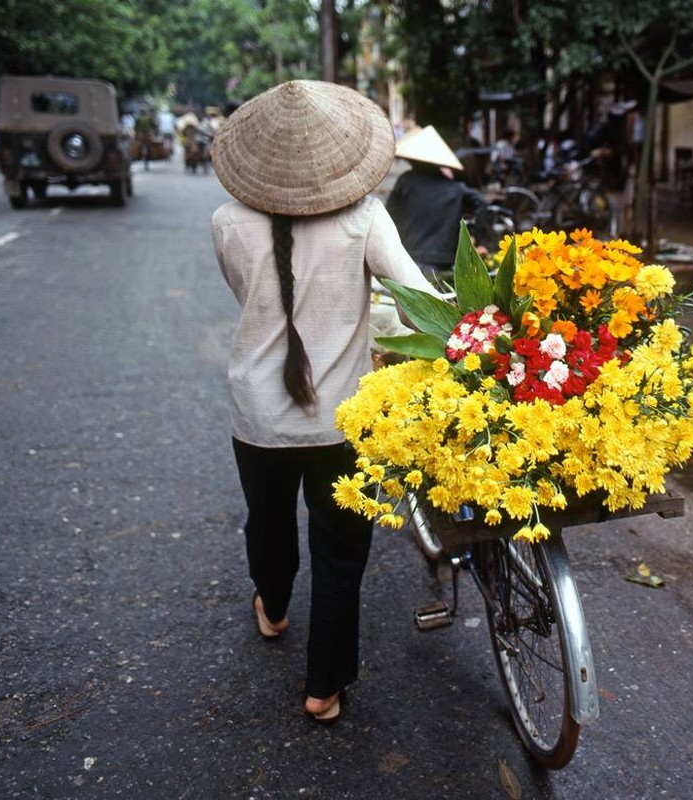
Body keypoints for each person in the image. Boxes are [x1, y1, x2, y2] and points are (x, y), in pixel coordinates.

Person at [210, 81, 441, 723]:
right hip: (345, 420)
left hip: (257, 413)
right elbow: (416, 299)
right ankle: (324, 686)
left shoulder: (227, 220)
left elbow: (246, 296)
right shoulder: (364, 214)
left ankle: (275, 608)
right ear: (335, 156)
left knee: (269, 522)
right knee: (341, 553)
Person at [386, 124, 485, 278]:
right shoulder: (457, 189)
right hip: (443, 259)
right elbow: (481, 203)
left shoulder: (406, 180)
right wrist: (476, 236)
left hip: (408, 254)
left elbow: (390, 214)